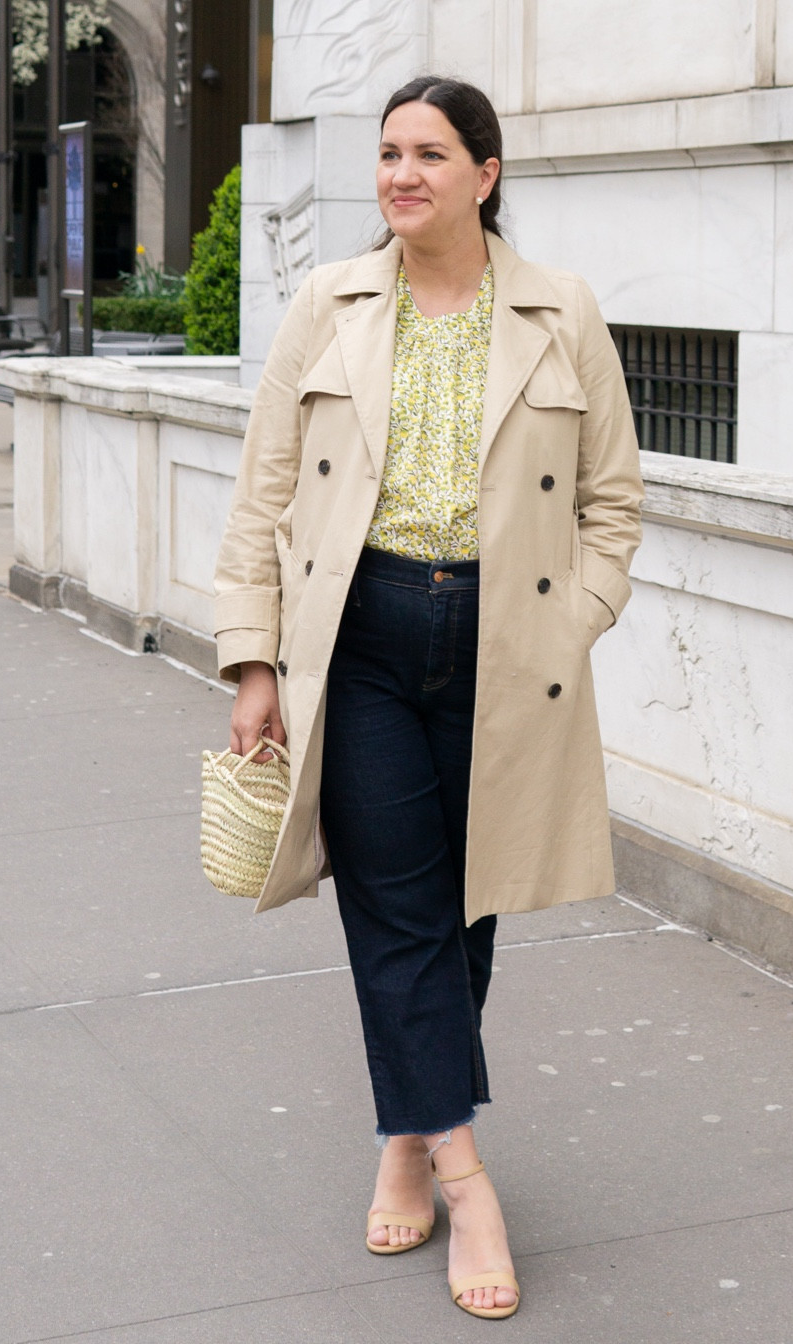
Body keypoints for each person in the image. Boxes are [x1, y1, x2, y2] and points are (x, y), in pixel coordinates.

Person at [213, 75, 643, 1321]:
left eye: (430, 153)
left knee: (472, 904)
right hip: (358, 636)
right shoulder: (329, 302)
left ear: (484, 173)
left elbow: (614, 499)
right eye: (390, 153)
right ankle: (466, 1176)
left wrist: (579, 614)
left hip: (514, 642)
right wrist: (252, 659)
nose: (402, 173)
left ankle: (408, 1125)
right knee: (397, 907)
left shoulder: (562, 311)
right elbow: (263, 496)